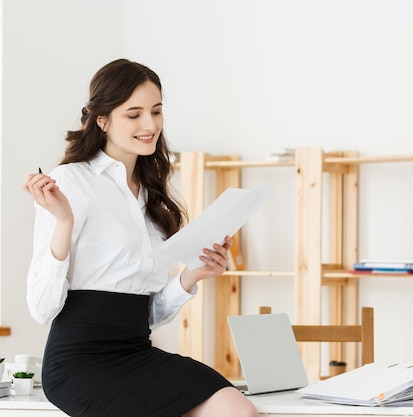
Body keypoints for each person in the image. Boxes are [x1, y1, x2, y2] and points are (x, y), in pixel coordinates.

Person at [22, 58, 258, 417]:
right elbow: (42, 308)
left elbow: (147, 314)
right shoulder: (71, 181)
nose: (150, 125)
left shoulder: (151, 195)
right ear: (102, 120)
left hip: (137, 352)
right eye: (134, 115)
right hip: (79, 364)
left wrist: (192, 275)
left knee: (236, 409)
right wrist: (64, 222)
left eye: (156, 111)